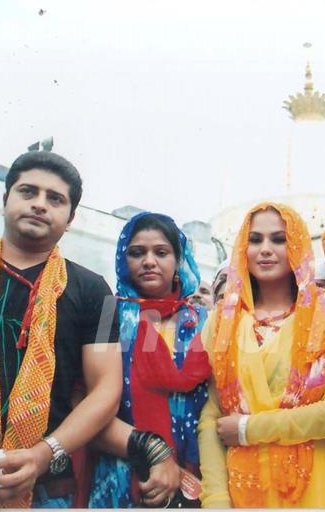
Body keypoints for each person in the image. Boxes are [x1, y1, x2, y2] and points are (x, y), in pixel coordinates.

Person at [0, 151, 122, 508]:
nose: (39, 204)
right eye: (28, 192)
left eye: (55, 199)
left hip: (47, 487)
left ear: (70, 218)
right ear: (5, 198)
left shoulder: (98, 293)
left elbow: (106, 388)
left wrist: (45, 453)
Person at [197, 202, 325, 508]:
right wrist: (216, 498)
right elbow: (211, 415)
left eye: (279, 239)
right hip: (241, 488)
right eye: (255, 240)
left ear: (297, 244)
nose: (265, 249)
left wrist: (249, 429)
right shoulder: (220, 321)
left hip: (317, 486)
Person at [88, 212, 211, 508]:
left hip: (200, 480)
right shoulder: (109, 314)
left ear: (179, 260)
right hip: (123, 474)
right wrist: (154, 454)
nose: (149, 261)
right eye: (137, 252)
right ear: (122, 259)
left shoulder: (206, 321)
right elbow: (89, 402)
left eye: (161, 252)